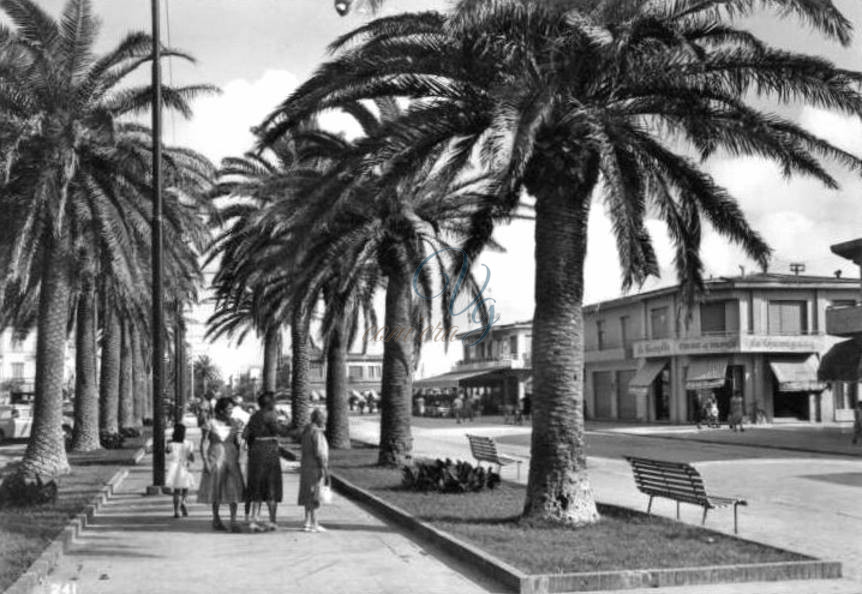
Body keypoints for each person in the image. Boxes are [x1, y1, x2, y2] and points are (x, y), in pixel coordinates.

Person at [198, 396, 245, 532]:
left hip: (232, 457)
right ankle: (216, 519)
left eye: (232, 409)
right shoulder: (210, 423)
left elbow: (240, 441)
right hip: (215, 456)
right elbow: (204, 442)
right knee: (216, 488)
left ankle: (234, 520)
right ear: (220, 410)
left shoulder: (236, 423)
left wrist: (244, 450)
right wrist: (205, 460)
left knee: (234, 487)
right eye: (228, 409)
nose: (231, 411)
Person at [243, 391, 283, 532]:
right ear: (270, 403)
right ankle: (272, 521)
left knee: (256, 485)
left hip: (255, 451)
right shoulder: (270, 415)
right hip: (270, 451)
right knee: (272, 486)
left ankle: (254, 520)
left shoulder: (254, 416)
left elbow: (245, 434)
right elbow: (279, 431)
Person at [298, 408, 330, 532]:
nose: (326, 420)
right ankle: (314, 523)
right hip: (315, 467)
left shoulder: (306, 431)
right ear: (320, 418)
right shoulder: (317, 433)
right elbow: (320, 453)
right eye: (325, 417)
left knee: (307, 493)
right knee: (314, 495)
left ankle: (307, 521)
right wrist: (325, 469)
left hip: (306, 466)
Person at [166, 423, 195, 518]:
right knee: (186, 488)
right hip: (184, 466)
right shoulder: (189, 443)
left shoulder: (170, 444)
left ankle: (176, 511)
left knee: (176, 490)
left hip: (174, 467)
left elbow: (167, 452)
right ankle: (183, 501)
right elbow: (191, 458)